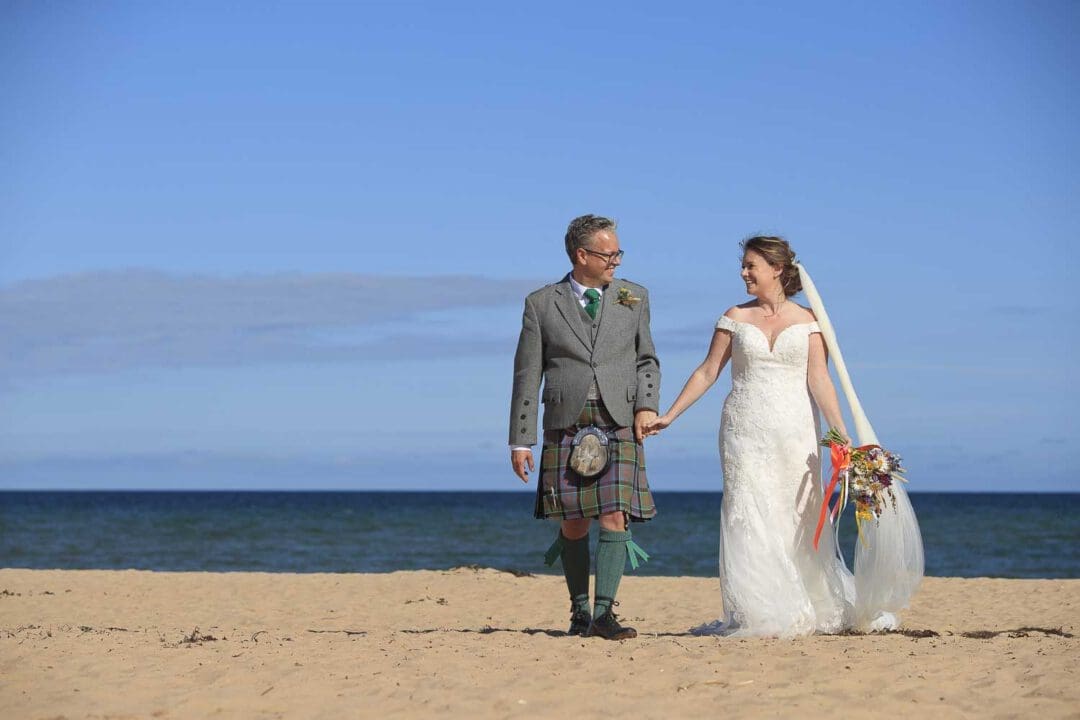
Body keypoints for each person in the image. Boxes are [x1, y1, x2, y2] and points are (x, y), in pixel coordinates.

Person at [645, 235, 914, 636]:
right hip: (744, 429)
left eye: (751, 265)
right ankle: (758, 608)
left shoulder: (807, 321)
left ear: (777, 270)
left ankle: (808, 599)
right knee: (748, 511)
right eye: (744, 265)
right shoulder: (734, 316)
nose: (744, 272)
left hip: (797, 431)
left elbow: (819, 378)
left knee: (798, 513)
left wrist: (841, 434)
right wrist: (670, 415)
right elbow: (707, 371)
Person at [509, 214, 660, 640]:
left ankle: (604, 614)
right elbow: (526, 374)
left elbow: (647, 360)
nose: (615, 261)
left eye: (618, 254)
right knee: (574, 521)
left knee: (615, 515)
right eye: (608, 254)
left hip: (619, 418)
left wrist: (647, 406)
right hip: (565, 420)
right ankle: (579, 611)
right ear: (582, 255)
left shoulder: (634, 296)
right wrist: (521, 439)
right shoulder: (541, 303)